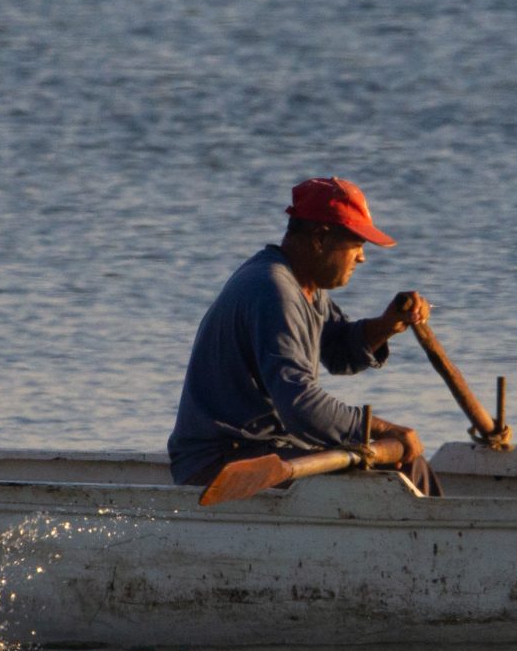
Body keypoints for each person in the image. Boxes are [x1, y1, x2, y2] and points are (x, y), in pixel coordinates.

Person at [168, 177, 439, 495]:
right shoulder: (274, 291)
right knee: (408, 467)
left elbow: (339, 351)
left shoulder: (304, 286)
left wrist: (386, 325)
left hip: (265, 450)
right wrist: (381, 430)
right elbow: (301, 406)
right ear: (320, 238)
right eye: (356, 244)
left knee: (403, 467)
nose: (362, 258)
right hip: (225, 463)